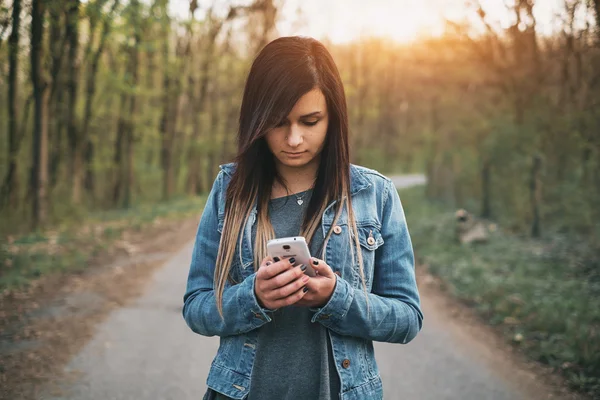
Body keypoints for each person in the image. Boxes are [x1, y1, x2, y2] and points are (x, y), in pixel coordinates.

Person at [182, 36, 423, 400]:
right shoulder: (230, 189)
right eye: (278, 123)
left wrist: (337, 298)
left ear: (333, 117)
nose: (294, 139)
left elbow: (407, 319)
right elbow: (196, 308)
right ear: (256, 119)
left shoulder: (374, 193)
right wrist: (254, 297)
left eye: (310, 121)